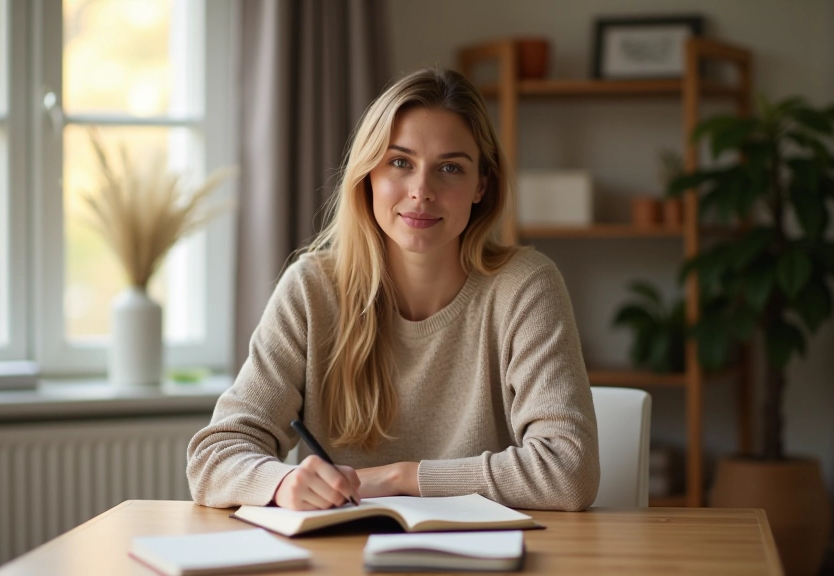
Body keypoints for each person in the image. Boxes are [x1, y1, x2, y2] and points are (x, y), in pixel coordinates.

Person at [186, 68, 599, 512]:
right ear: (368, 174)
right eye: (400, 162)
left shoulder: (525, 286)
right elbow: (213, 458)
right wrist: (284, 482)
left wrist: (399, 478)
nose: (421, 191)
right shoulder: (311, 289)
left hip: (486, 545)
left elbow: (569, 471)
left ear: (481, 185)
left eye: (450, 168)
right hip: (342, 546)